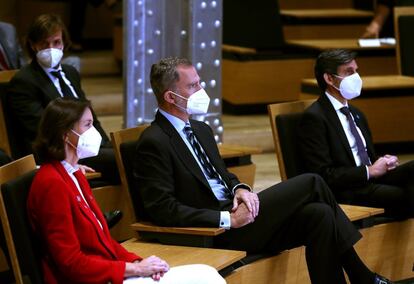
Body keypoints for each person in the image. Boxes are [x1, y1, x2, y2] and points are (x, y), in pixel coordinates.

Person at [133, 57, 393, 284]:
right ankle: (362, 275)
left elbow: (224, 176)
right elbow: (162, 208)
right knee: (312, 182)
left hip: (240, 217)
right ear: (170, 96)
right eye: (193, 86)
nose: (202, 90)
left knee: (320, 214)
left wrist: (240, 189)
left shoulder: (201, 130)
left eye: (200, 82)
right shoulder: (154, 141)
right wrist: (227, 219)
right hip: (214, 232)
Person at [27, 98, 226, 284]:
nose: (94, 131)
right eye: (87, 125)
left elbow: (103, 240)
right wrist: (133, 269)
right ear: (65, 134)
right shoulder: (51, 183)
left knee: (206, 272)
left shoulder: (75, 174)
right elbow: (70, 262)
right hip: (89, 279)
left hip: (108, 272)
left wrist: (138, 262)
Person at [297, 49, 414, 219]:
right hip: (349, 191)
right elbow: (323, 174)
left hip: (370, 181)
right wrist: (369, 171)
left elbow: (365, 156)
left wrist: (383, 162)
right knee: (405, 195)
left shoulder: (356, 113)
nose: (356, 77)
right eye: (349, 72)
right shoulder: (314, 118)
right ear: (329, 78)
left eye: (356, 71)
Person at [7, 13, 117, 184]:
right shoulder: (24, 81)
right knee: (126, 158)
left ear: (64, 42)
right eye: (44, 43)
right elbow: (42, 130)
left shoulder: (70, 73)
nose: (51, 48)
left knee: (126, 151)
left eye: (56, 42)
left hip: (89, 148)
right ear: (33, 45)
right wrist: (70, 162)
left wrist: (108, 145)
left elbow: (90, 118)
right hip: (62, 153)